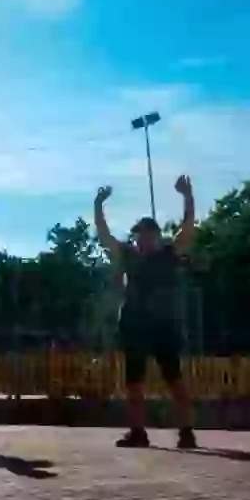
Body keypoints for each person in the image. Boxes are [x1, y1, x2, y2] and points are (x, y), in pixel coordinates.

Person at [95, 176, 197, 449]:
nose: (143, 238)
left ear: (156, 236)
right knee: (134, 383)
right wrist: (98, 206)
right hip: (134, 325)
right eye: (139, 234)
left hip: (163, 324)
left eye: (148, 234)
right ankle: (138, 432)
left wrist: (187, 196)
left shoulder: (168, 254)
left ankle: (186, 431)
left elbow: (187, 228)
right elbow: (105, 237)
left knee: (174, 379)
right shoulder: (128, 254)